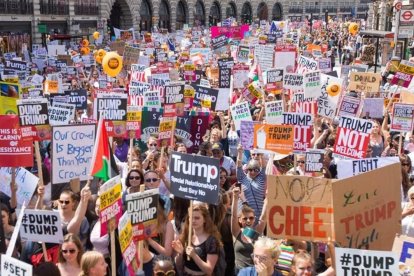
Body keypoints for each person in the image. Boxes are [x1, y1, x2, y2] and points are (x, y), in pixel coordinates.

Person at [172, 203, 222, 275]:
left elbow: (209, 270)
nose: (193, 221)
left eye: (197, 218)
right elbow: (179, 266)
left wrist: (194, 256)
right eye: (191, 217)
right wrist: (180, 254)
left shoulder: (211, 241)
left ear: (205, 219)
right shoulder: (186, 236)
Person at [232, 186, 267, 273]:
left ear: (254, 219)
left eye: (251, 218)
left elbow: (263, 218)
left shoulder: (256, 233)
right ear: (240, 220)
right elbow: (233, 216)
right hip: (239, 272)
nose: (248, 220)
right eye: (245, 218)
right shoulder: (237, 232)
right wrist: (235, 198)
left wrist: (267, 199)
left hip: (254, 272)